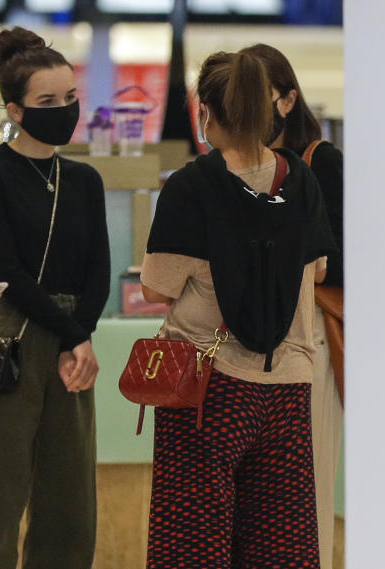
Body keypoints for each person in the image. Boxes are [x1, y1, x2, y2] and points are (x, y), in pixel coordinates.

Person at [140, 50, 337, 568]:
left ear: (206, 110)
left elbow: (158, 286)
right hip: (289, 381)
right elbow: (316, 271)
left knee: (192, 544)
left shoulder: (191, 185)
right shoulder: (300, 180)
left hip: (208, 387)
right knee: (280, 546)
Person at [0, 27, 110, 569]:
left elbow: (98, 270)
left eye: (70, 98)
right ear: (15, 111)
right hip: (8, 330)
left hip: (73, 337)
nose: (64, 109)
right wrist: (74, 336)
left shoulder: (85, 179)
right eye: (47, 101)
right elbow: (2, 269)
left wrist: (80, 334)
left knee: (69, 494)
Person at [240, 42, 344, 568]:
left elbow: (348, 256)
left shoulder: (319, 162)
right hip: (250, 352)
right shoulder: (234, 166)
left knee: (309, 498)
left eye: (255, 99)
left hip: (310, 340)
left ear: (287, 101)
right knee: (261, 510)